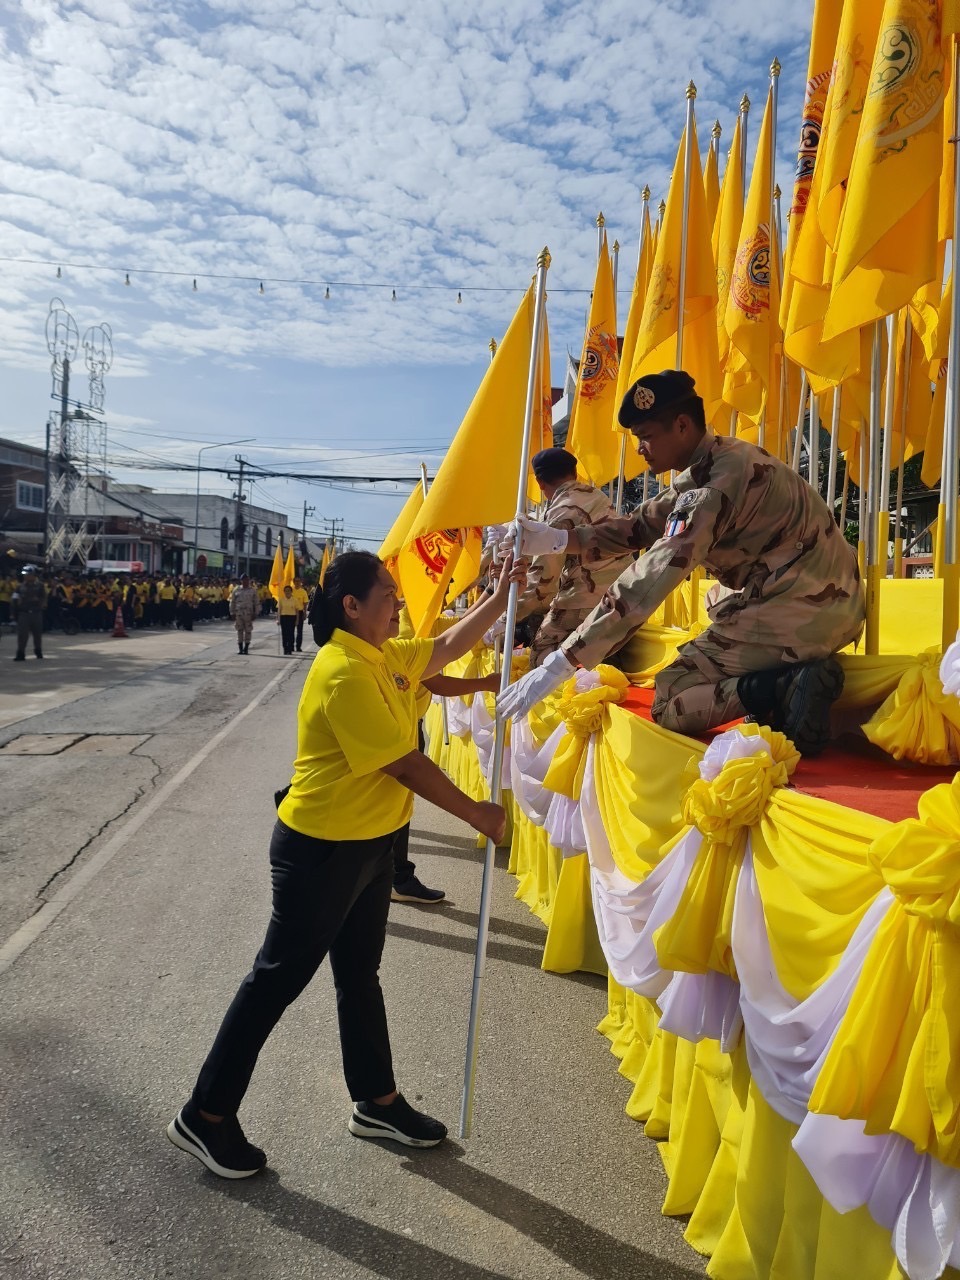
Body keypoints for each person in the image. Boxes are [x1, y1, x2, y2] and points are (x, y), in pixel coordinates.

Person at [166, 549, 522, 1178]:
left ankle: (377, 1101)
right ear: (352, 605)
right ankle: (206, 1114)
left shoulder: (382, 654)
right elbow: (404, 763)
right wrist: (479, 814)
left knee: (360, 976)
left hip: (371, 845)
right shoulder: (343, 672)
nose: (399, 601)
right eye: (388, 592)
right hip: (321, 851)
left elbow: (441, 647)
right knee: (275, 980)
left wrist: (499, 595)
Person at [499, 370, 864, 756]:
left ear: (682, 425)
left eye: (647, 437)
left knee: (672, 695)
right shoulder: (716, 462)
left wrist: (564, 660)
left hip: (805, 606)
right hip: (818, 600)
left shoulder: (714, 485)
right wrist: (558, 539)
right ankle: (783, 691)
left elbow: (651, 575)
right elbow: (637, 527)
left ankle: (783, 686)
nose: (640, 449)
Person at [513, 447, 635, 668]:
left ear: (540, 483)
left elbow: (543, 582)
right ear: (575, 473)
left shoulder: (563, 510)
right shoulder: (595, 495)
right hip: (622, 594)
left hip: (587, 600)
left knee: (541, 658)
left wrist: (507, 616)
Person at [13, 565, 46, 661]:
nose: (25, 576)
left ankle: (38, 651)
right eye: (24, 575)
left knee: (37, 634)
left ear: (33, 575)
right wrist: (14, 611)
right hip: (24, 613)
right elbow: (14, 599)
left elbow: (44, 598)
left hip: (36, 613)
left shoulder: (40, 586)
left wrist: (40, 603)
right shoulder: (19, 587)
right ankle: (20, 653)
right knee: (22, 635)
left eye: (27, 574)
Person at [229, 575, 259, 654]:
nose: (245, 581)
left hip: (249, 614)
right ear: (241, 581)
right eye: (243, 580)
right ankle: (240, 648)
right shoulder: (236, 590)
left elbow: (256, 603)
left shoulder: (252, 590)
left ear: (249, 580)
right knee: (239, 630)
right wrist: (232, 612)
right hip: (239, 613)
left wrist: (256, 613)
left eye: (246, 580)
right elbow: (232, 602)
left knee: (248, 631)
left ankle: (246, 648)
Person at [276, 584, 299, 654]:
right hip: (284, 617)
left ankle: (290, 648)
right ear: (284, 592)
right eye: (286, 591)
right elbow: (279, 611)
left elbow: (297, 611)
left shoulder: (295, 600)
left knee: (291, 634)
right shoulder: (281, 600)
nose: (287, 592)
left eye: (289, 591)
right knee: (284, 634)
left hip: (292, 618)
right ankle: (285, 648)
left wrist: (297, 620)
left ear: (291, 592)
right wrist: (278, 619)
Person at [292, 577, 310, 652]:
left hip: (300, 612)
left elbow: (305, 603)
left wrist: (305, 613)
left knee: (299, 631)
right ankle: (291, 646)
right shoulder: (291, 590)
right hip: (291, 613)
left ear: (301, 582)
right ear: (293, 582)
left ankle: (298, 647)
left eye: (298, 581)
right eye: (296, 581)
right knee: (290, 631)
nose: (297, 583)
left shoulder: (303, 591)